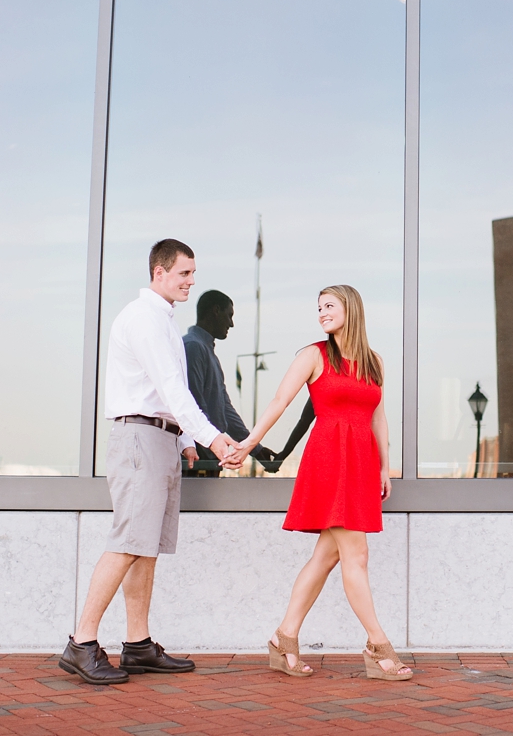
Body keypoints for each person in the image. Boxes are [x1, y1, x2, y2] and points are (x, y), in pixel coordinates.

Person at [59, 239, 238, 685]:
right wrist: (214, 439)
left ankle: (137, 646)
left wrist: (182, 443)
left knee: (145, 547)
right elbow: (174, 391)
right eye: (184, 273)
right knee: (126, 542)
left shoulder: (163, 320)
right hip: (138, 438)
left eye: (193, 273)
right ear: (159, 272)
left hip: (158, 439)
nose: (191, 282)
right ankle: (81, 643)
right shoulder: (143, 319)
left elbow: (166, 393)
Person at [222, 285, 412, 681]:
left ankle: (284, 639)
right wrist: (249, 444)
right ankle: (378, 647)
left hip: (361, 463)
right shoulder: (313, 355)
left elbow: (378, 415)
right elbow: (279, 401)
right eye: (319, 308)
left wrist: (384, 466)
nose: (322, 313)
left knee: (328, 556)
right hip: (329, 461)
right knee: (356, 556)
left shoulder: (374, 361)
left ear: (351, 310)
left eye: (330, 306)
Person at [183, 290, 251, 476]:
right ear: (215, 311)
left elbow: (225, 410)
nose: (231, 323)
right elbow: (193, 405)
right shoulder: (193, 348)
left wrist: (254, 447)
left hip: (209, 456)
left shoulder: (206, 351)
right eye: (229, 316)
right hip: (197, 458)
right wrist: (212, 450)